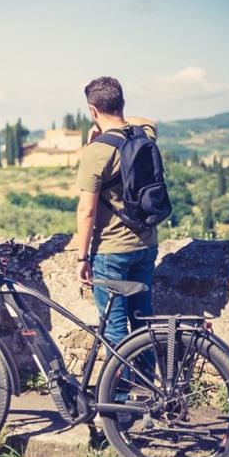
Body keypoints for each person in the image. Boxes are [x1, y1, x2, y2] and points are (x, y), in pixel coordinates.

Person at [74, 77, 159, 399]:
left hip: (111, 251)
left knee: (114, 329)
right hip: (146, 244)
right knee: (143, 323)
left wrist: (82, 257)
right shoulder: (144, 135)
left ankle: (117, 402)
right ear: (121, 103)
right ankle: (148, 391)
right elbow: (150, 121)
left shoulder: (96, 152)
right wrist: (118, 120)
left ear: (92, 109)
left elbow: (86, 211)